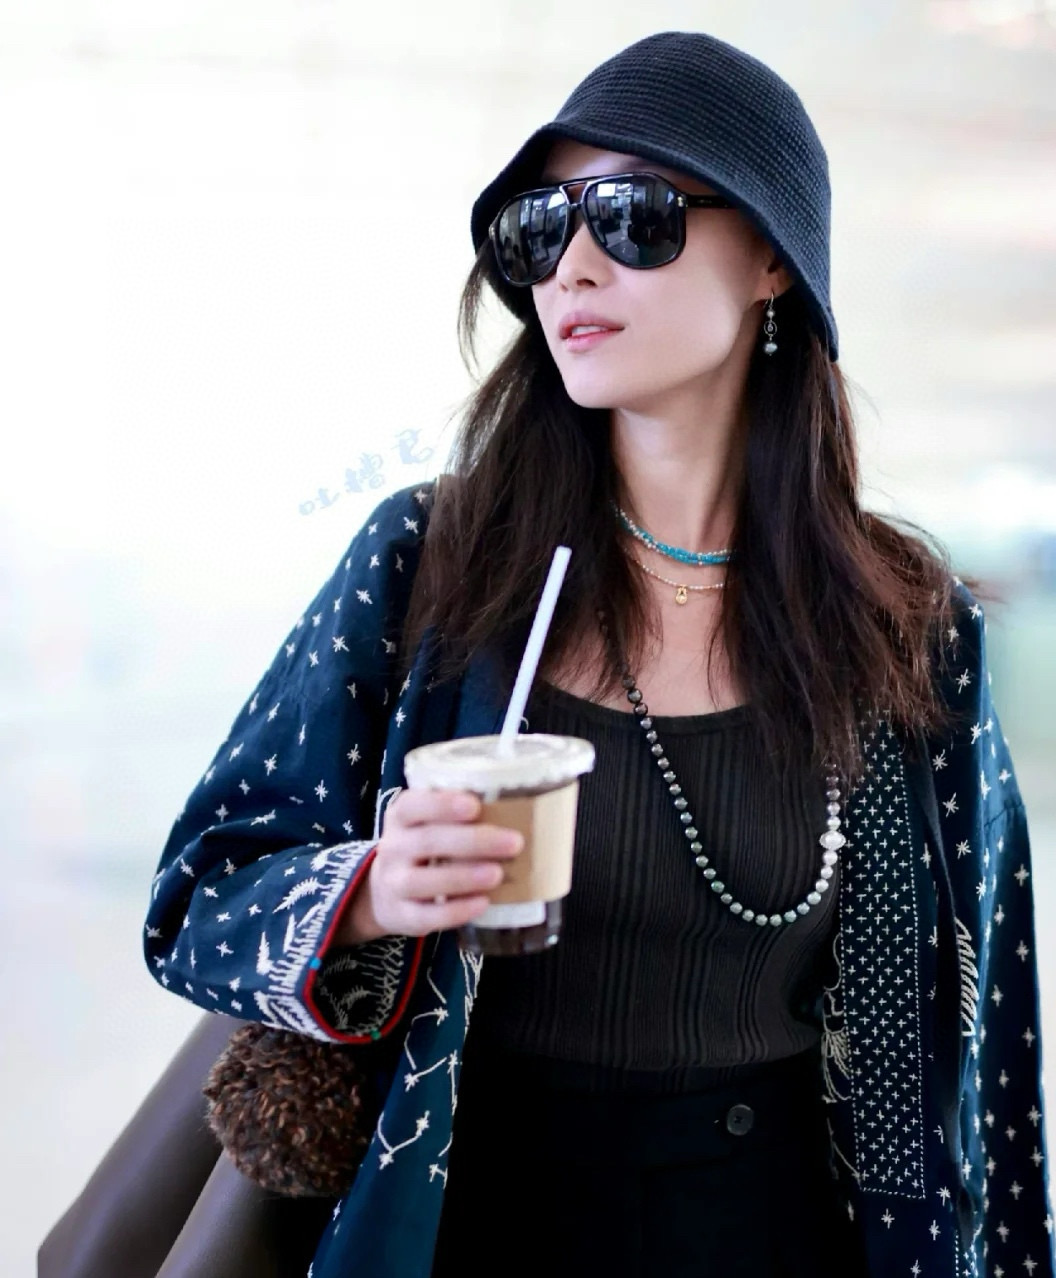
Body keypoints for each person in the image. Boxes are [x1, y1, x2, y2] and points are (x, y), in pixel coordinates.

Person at [143, 30, 1054, 1278]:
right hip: (466, 1219)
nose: (571, 266)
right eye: (540, 230)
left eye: (631, 217)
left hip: (778, 1230)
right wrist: (372, 892)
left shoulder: (908, 621)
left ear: (774, 259)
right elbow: (198, 899)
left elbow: (987, 1030)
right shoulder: (433, 559)